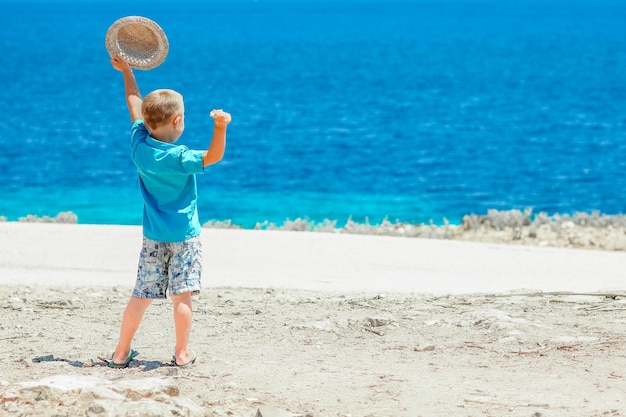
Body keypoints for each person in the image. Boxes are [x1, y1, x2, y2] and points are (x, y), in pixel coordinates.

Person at [108, 55, 231, 368]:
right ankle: (181, 354)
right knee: (182, 297)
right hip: (185, 239)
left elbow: (134, 102)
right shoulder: (181, 157)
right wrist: (220, 127)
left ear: (147, 124)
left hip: (153, 237)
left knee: (141, 295)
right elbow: (214, 156)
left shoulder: (139, 145)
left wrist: (127, 71)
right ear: (178, 122)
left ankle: (121, 353)